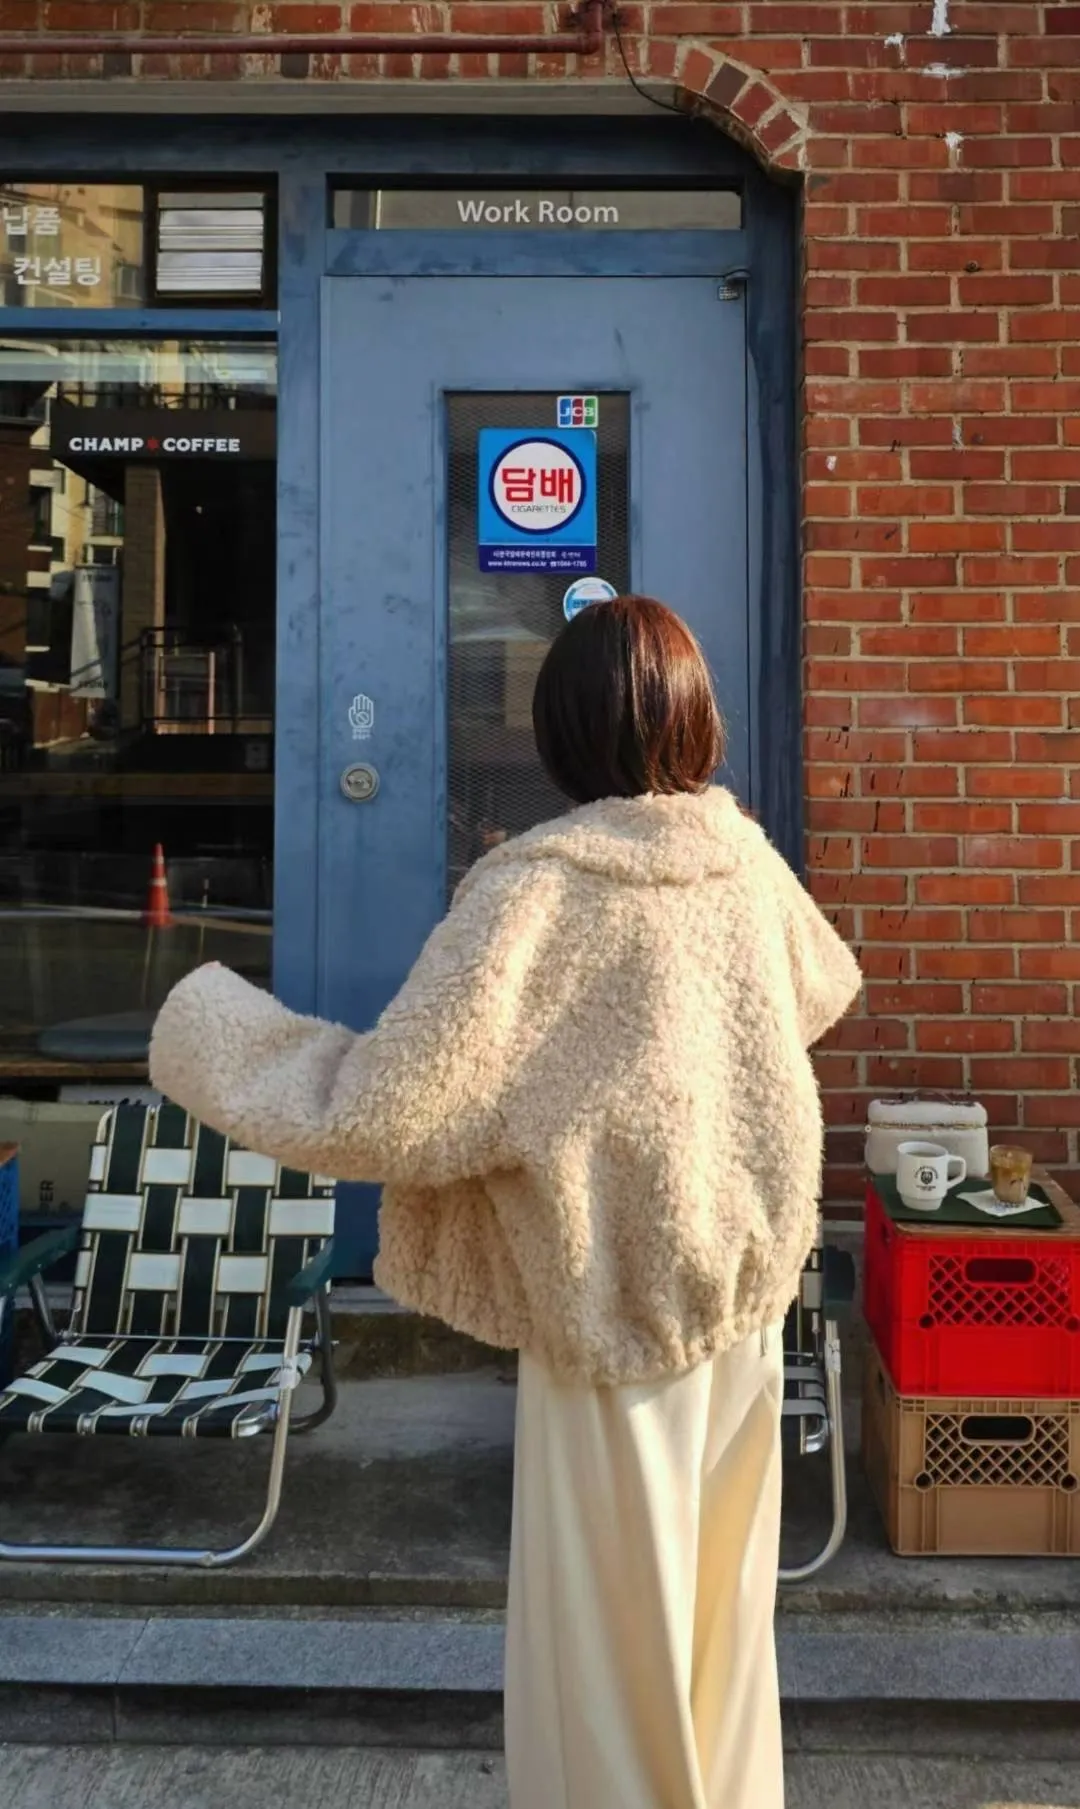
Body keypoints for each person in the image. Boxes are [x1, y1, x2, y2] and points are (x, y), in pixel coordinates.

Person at [150, 595, 861, 1809]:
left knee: (605, 1687)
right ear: (695, 719)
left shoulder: (535, 890)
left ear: (560, 735)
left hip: (608, 1318)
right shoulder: (740, 859)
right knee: (718, 1652)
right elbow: (824, 983)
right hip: (741, 1311)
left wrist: (211, 1030)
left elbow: (386, 1108)